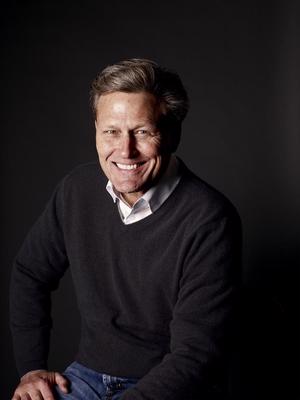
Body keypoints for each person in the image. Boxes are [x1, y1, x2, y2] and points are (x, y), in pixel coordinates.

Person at [10, 58, 242, 400]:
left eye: (143, 131)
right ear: (96, 131)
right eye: (111, 131)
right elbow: (30, 273)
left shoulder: (210, 218)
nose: (125, 150)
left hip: (173, 387)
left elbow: (195, 356)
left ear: (172, 134)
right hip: (85, 378)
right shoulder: (76, 190)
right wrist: (31, 369)